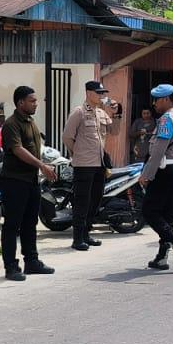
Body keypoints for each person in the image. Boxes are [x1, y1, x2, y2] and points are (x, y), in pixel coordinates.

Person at [0, 86, 57, 282]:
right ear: (20, 103)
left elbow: (34, 148)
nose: (36, 103)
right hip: (14, 181)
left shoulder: (30, 122)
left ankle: (31, 261)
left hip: (31, 180)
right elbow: (17, 149)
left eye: (36, 100)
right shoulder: (11, 124)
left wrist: (44, 164)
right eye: (32, 100)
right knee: (12, 225)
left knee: (30, 223)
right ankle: (11, 267)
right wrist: (41, 165)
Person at [137, 84, 173, 272]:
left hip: (163, 170)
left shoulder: (166, 120)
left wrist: (146, 175)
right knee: (168, 214)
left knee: (149, 210)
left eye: (157, 100)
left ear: (167, 99)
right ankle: (162, 257)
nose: (154, 104)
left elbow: (159, 150)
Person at [61, 80, 123, 251]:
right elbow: (67, 136)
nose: (102, 96)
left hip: (99, 164)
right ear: (89, 93)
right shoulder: (79, 112)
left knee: (95, 201)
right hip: (84, 165)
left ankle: (86, 234)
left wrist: (117, 113)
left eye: (103, 93)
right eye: (99, 93)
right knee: (82, 201)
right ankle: (77, 238)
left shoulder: (101, 114)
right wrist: (77, 153)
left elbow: (115, 131)